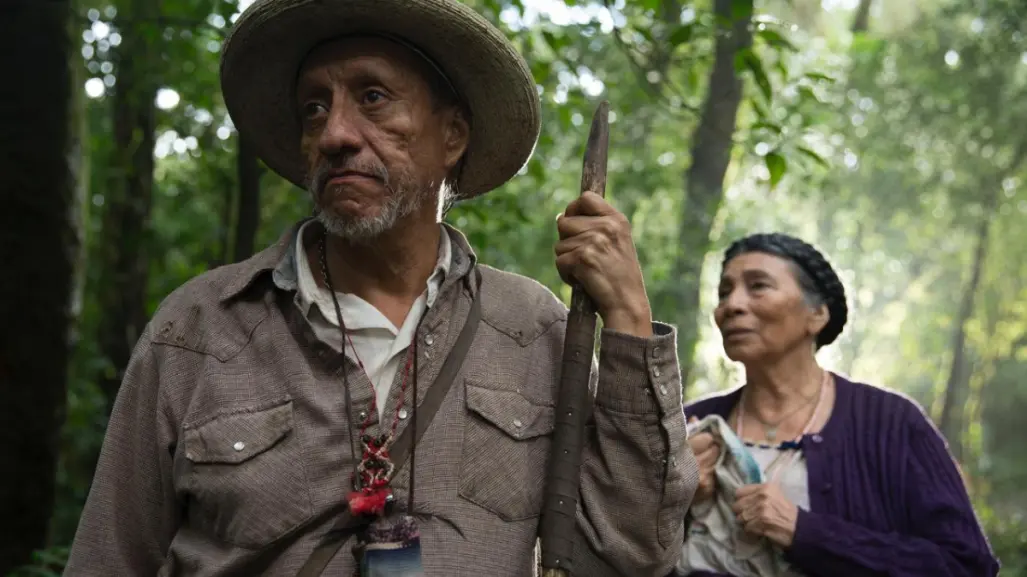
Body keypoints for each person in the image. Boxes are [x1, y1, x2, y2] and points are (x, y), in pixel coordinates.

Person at [64, 0, 699, 575]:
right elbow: (108, 559)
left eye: (372, 97)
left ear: (452, 135)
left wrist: (628, 320)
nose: (336, 134)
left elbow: (635, 549)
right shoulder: (200, 330)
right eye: (315, 107)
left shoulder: (531, 329)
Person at [677, 232, 999, 577]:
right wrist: (674, 500)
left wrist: (804, 532)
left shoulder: (891, 423)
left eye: (758, 286)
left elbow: (965, 565)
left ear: (816, 314)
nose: (732, 305)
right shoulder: (689, 423)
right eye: (724, 292)